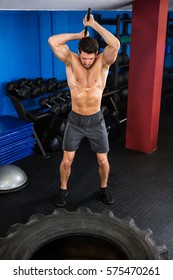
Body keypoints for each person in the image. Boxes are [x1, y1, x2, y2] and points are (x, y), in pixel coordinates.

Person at [48, 12, 120, 207]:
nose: (86, 62)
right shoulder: (71, 61)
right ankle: (63, 190)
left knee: (103, 161)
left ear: (96, 55)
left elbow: (115, 44)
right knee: (67, 161)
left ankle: (103, 188)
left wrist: (94, 25)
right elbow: (53, 41)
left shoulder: (103, 62)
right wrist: (77, 36)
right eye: (83, 58)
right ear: (78, 53)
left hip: (96, 120)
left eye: (89, 59)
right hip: (75, 120)